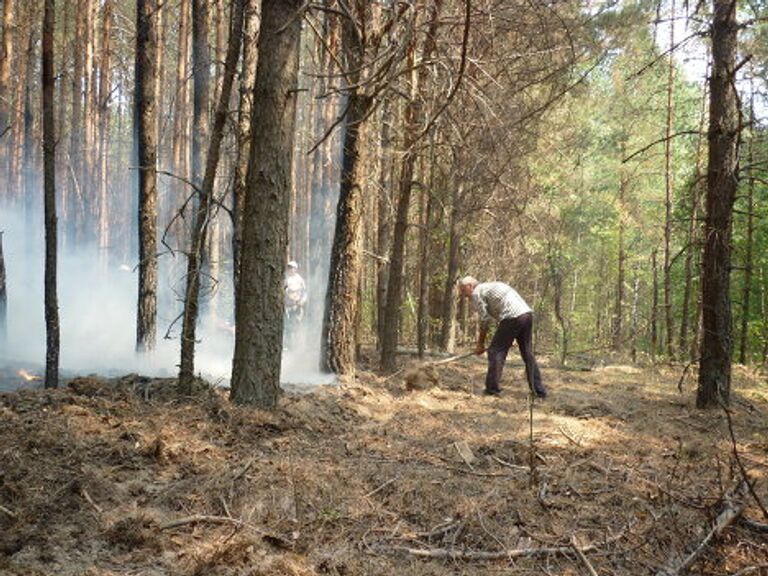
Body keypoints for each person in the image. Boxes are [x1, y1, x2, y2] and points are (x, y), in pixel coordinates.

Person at [458, 276, 547, 398]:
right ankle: (539, 391)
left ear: (470, 286)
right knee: (527, 353)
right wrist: (512, 335)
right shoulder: (489, 287)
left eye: (463, 290)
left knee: (495, 351)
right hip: (526, 314)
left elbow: (485, 319)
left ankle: (492, 389)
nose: (463, 294)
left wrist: (480, 344)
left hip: (512, 316)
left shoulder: (477, 292)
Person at [283, 260, 307, 348]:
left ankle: (297, 345)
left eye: (292, 268)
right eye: (289, 268)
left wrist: (302, 301)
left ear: (295, 269)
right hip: (287, 306)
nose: (290, 270)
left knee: (296, 324)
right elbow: (283, 292)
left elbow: (304, 292)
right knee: (287, 325)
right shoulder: (285, 279)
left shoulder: (299, 280)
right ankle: (288, 344)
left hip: (297, 306)